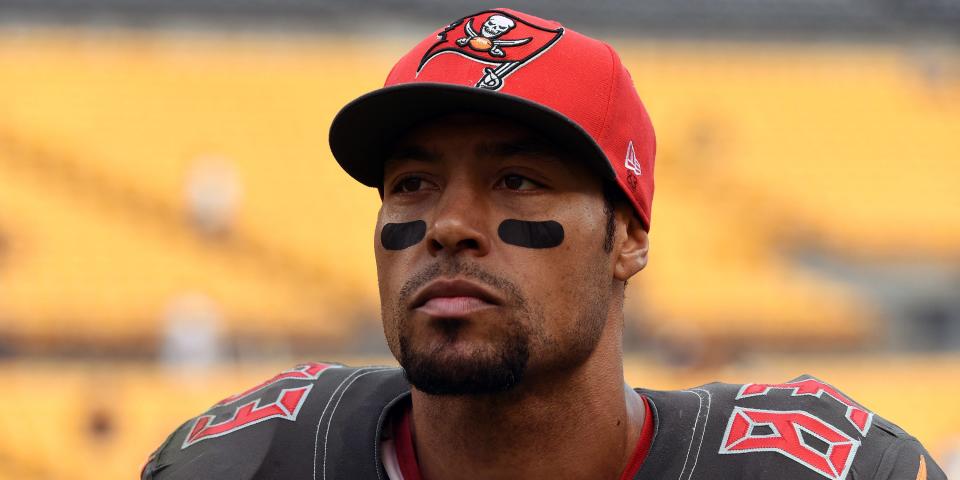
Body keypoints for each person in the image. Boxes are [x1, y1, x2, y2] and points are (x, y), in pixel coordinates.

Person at [142, 9, 946, 480]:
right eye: (413, 184)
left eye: (517, 181)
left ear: (628, 236)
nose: (450, 225)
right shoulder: (251, 461)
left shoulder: (817, 469)